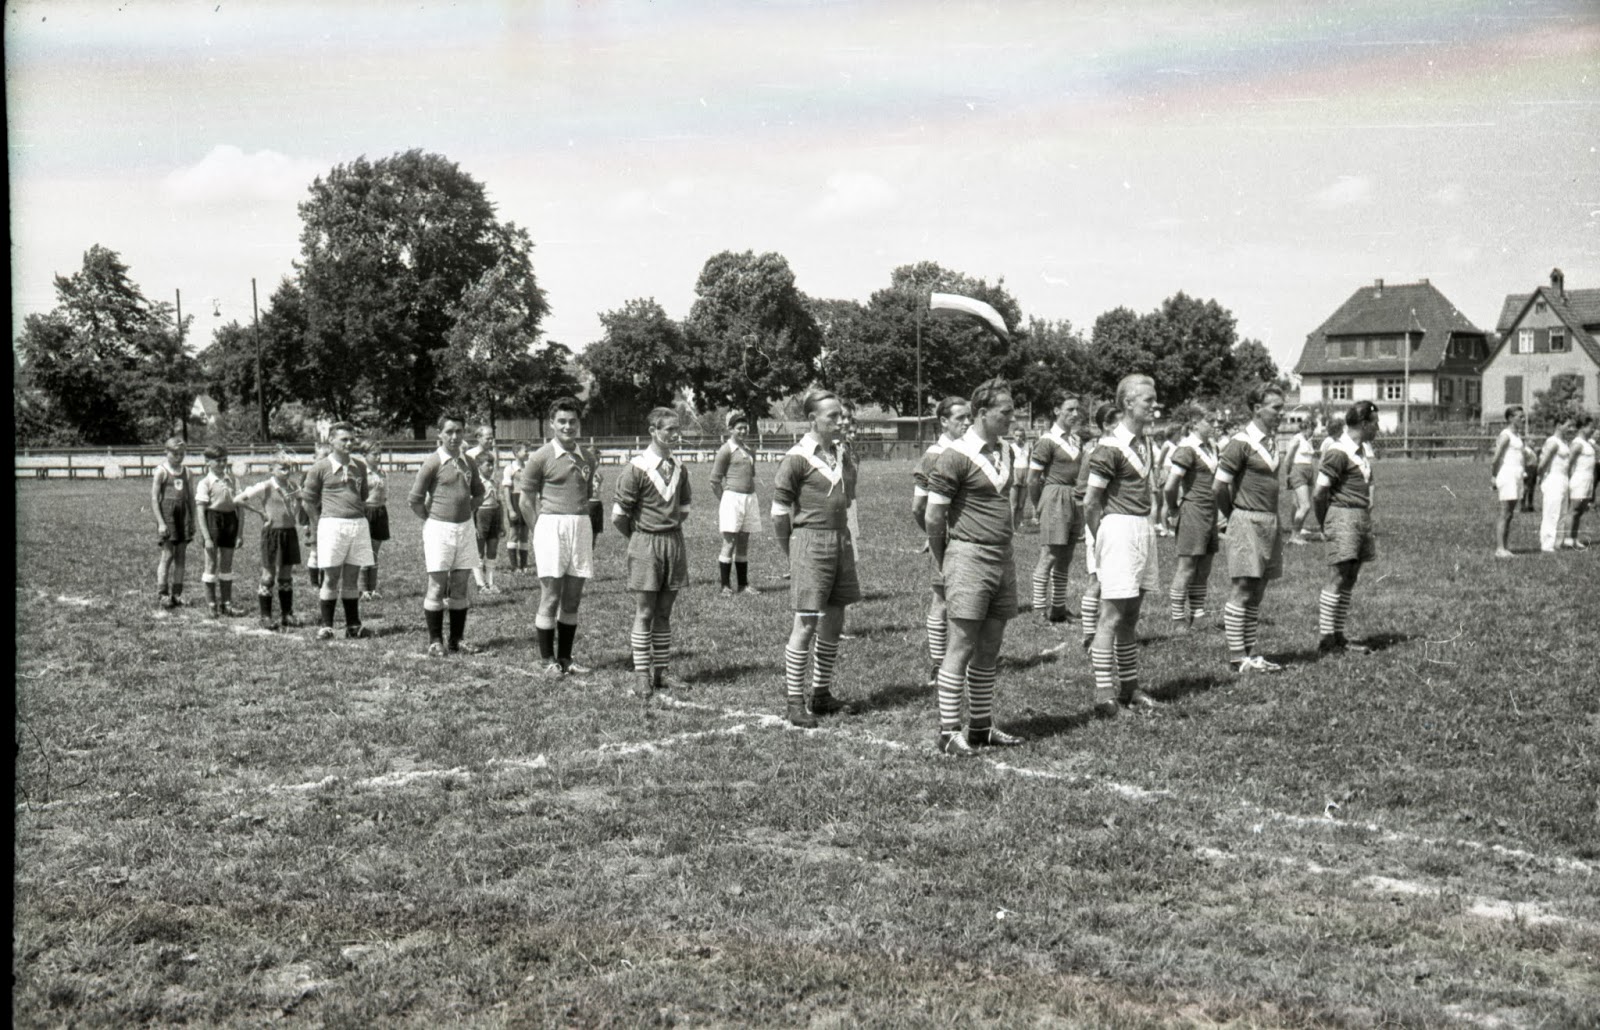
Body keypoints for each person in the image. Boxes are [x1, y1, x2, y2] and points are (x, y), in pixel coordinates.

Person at [925, 378, 1027, 755]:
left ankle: (981, 725)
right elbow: (934, 515)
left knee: (991, 644)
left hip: (1003, 554)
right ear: (982, 413)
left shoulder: (1006, 451)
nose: (1012, 419)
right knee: (962, 642)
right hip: (968, 555)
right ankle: (949, 731)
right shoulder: (955, 454)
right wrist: (944, 558)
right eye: (1005, 412)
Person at [772, 390, 860, 728]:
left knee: (835, 618)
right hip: (809, 541)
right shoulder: (796, 458)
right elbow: (779, 514)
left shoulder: (843, 453)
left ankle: (821, 693)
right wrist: (791, 551)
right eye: (832, 417)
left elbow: (848, 498)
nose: (840, 422)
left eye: (841, 415)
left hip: (840, 540)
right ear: (813, 420)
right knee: (806, 622)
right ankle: (796, 700)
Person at [1082, 375, 1163, 718]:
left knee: (1131, 616)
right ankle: (1104, 697)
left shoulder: (1146, 443)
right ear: (1128, 403)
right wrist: (1102, 538)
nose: (1154, 405)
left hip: (1143, 528)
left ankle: (1129, 688)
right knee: (1111, 617)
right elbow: (1090, 502)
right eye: (1148, 400)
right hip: (1118, 530)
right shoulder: (1109, 447)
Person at [519, 397, 603, 676]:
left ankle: (566, 657)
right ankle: (547, 659)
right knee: (551, 595)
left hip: (580, 525)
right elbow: (525, 501)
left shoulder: (587, 457)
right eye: (562, 421)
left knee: (573, 598)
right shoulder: (540, 456)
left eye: (573, 421)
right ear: (552, 423)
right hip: (551, 526)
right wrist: (538, 533)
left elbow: (585, 495)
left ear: (579, 423)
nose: (568, 426)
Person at [614, 407, 693, 698]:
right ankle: (641, 675)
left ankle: (661, 673)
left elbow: (683, 509)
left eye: (677, 429)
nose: (674, 434)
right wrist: (640, 538)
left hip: (673, 541)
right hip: (645, 542)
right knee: (645, 611)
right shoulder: (637, 467)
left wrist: (666, 530)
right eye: (668, 429)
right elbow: (618, 515)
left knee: (664, 612)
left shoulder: (679, 466)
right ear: (653, 431)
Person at [1214, 387, 1288, 673]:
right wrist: (1233, 513)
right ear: (1257, 408)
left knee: (1258, 590)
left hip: (1269, 521)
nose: (1281, 413)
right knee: (1243, 588)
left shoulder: (1271, 442)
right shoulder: (1240, 443)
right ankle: (1236, 658)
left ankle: (1249, 652)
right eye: (1276, 408)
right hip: (1246, 520)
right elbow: (1218, 487)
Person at [410, 413, 487, 656]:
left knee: (461, 584)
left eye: (459, 431)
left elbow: (479, 493)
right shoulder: (433, 462)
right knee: (437, 584)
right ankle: (435, 641)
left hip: (465, 528)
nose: (454, 437)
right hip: (439, 530)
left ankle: (456, 639)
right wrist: (432, 519)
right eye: (449, 432)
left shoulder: (469, 462)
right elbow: (414, 499)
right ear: (440, 434)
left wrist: (465, 513)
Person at [912, 396, 974, 686]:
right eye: (960, 418)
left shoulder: (971, 449)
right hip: (949, 535)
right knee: (942, 598)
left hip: (971, 536)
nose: (967, 423)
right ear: (944, 422)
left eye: (968, 417)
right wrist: (933, 536)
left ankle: (960, 657)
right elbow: (919, 507)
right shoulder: (935, 454)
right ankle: (938, 664)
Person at [1314, 400, 1381, 655]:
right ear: (1364, 424)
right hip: (1343, 516)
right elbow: (1319, 492)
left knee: (1350, 576)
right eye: (1375, 423)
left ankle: (1338, 635)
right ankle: (1326, 638)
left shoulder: (1360, 450)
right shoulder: (1338, 451)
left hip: (1359, 516)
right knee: (1338, 576)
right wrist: (1326, 523)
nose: (1377, 428)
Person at [302, 423, 375, 640]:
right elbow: (307, 500)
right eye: (344, 439)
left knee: (352, 577)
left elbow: (362, 496)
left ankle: (353, 625)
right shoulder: (320, 467)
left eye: (352, 439)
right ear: (331, 441)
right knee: (331, 577)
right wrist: (317, 525)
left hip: (357, 524)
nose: (349, 443)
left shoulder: (360, 466)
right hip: (332, 526)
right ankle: (326, 626)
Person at [1028, 393, 1086, 625]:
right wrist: (1038, 505)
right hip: (1054, 496)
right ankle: (1039, 611)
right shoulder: (1047, 441)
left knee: (1066, 556)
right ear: (1056, 410)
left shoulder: (1076, 440)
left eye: (1077, 410)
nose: (1075, 414)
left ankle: (1059, 609)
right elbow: (1033, 479)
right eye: (1069, 409)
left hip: (1073, 497)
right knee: (1049, 555)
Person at [1163, 409, 1221, 629]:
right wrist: (1173, 510)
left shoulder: (1212, 447)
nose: (1215, 424)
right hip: (1193, 511)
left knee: (1204, 567)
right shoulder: (1187, 449)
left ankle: (1198, 614)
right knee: (1187, 566)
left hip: (1210, 511)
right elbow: (1170, 486)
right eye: (1210, 420)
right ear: (1196, 424)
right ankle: (1178, 618)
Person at [235, 453, 306, 631]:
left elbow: (301, 499)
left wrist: (295, 511)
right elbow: (238, 500)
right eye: (282, 468)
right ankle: (265, 616)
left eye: (289, 468)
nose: (287, 471)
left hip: (289, 533)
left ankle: (287, 614)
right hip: (272, 534)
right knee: (268, 575)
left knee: (286, 575)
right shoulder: (265, 486)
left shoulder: (293, 486)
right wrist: (260, 513)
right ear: (271, 469)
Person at [1077, 402, 1118, 652]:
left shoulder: (1122, 449)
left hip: (1118, 524)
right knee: (1097, 579)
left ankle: (1107, 631)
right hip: (1100, 522)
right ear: (1105, 425)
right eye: (1116, 423)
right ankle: (1089, 634)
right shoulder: (1095, 452)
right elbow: (1084, 492)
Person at [710, 412, 760, 596]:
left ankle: (743, 584)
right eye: (739, 428)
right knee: (729, 543)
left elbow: (750, 475)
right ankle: (725, 586)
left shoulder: (749, 449)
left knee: (744, 542)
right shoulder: (725, 450)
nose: (743, 431)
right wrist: (725, 500)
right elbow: (714, 481)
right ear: (731, 430)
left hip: (749, 498)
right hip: (732, 499)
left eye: (745, 427)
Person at [195, 445, 242, 618]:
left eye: (225, 460)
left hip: (230, 521)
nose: (222, 464)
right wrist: (207, 537)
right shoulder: (205, 483)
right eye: (218, 460)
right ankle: (211, 604)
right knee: (211, 564)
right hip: (213, 520)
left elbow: (240, 509)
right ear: (207, 462)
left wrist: (239, 533)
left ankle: (226, 603)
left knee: (227, 564)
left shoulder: (233, 481)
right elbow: (200, 512)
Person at [151, 436, 197, 609]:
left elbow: (191, 498)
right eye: (175, 453)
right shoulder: (161, 471)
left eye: (182, 454)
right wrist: (161, 523)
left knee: (181, 556)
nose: (179, 457)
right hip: (168, 515)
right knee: (168, 555)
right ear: (167, 452)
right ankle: (162, 594)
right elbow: (155, 499)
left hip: (183, 515)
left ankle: (177, 594)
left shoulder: (188, 472)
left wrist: (192, 520)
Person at [1489, 406, 1527, 558]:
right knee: (1505, 513)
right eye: (1520, 417)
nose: (1523, 420)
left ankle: (1505, 546)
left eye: (1523, 417)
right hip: (1507, 475)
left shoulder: (1517, 436)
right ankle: (1499, 548)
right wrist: (1493, 476)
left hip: (1516, 475)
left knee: (1510, 514)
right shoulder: (1505, 435)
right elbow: (1496, 458)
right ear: (1511, 418)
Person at [1537, 415, 1578, 553]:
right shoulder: (1552, 442)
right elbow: (1542, 464)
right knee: (1551, 512)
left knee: (1562, 513)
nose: (1570, 428)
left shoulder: (1564, 442)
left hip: (1564, 479)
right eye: (1568, 425)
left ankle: (1557, 542)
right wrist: (1542, 477)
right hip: (1554, 479)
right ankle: (1547, 544)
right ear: (1559, 425)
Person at [1285, 418, 1326, 545]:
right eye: (1311, 429)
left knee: (1297, 504)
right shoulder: (1296, 439)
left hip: (1308, 471)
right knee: (1305, 506)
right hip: (1298, 471)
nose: (1312, 432)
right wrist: (1288, 474)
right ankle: (1294, 536)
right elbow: (1288, 459)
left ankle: (1298, 530)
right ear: (1305, 428)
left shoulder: (1308, 440)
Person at [361, 441, 390, 600]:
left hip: (380, 511)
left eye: (380, 453)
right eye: (374, 454)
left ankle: (373, 588)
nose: (378, 457)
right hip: (367, 511)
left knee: (375, 552)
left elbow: (385, 493)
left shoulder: (383, 473)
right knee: (366, 551)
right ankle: (363, 590)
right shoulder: (362, 474)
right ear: (365, 455)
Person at [473, 449, 504, 594]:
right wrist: (473, 525)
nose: (491, 468)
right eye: (488, 465)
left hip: (495, 514)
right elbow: (471, 505)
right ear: (479, 466)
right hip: (481, 515)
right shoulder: (476, 483)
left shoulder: (494, 482)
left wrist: (502, 523)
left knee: (492, 549)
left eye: (493, 465)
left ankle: (491, 582)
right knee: (479, 551)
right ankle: (481, 584)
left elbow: (499, 502)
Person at [1564, 416, 1595, 549]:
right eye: (1591, 426)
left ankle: (1574, 537)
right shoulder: (1577, 443)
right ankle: (1567, 538)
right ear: (1583, 427)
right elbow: (1568, 463)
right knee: (1574, 510)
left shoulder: (1587, 443)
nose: (1592, 429)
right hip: (1579, 479)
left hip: (1588, 479)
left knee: (1580, 511)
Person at [302, 442, 330, 590]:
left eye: (328, 457)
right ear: (314, 457)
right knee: (315, 551)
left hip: (328, 517)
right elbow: (304, 501)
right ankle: (314, 582)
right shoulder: (308, 475)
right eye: (322, 457)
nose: (325, 460)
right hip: (313, 519)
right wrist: (305, 521)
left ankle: (325, 580)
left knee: (328, 551)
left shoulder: (331, 475)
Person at [502, 441, 531, 574]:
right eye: (525, 450)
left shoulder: (528, 467)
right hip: (515, 501)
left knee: (524, 534)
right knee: (514, 533)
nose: (527, 453)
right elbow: (506, 491)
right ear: (516, 453)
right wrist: (510, 509)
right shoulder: (510, 469)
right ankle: (514, 566)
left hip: (526, 502)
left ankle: (524, 565)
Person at [1150, 424, 1182, 537]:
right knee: (1166, 503)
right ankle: (1164, 527)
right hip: (1167, 473)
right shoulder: (1167, 445)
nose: (1180, 435)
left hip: (1175, 473)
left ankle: (1170, 526)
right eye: (1178, 433)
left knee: (1173, 501)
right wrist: (1158, 476)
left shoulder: (1175, 445)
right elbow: (1159, 463)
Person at [1009, 424, 1032, 527]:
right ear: (1013, 436)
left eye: (1021, 436)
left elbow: (1029, 460)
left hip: (1025, 472)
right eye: (1016, 436)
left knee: (1021, 503)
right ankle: (1012, 525)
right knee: (1013, 504)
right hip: (1015, 472)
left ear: (1024, 436)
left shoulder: (1028, 446)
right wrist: (1012, 475)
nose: (1019, 438)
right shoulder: (1011, 447)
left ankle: (1019, 522)